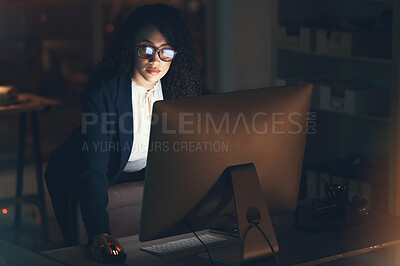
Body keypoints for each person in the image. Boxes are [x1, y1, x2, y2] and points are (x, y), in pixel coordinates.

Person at [44, 3, 202, 262]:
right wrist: (99, 233)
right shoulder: (103, 94)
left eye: (166, 51)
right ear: (132, 47)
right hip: (79, 177)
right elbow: (93, 171)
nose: (155, 60)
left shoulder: (178, 89)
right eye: (146, 49)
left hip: (130, 180)